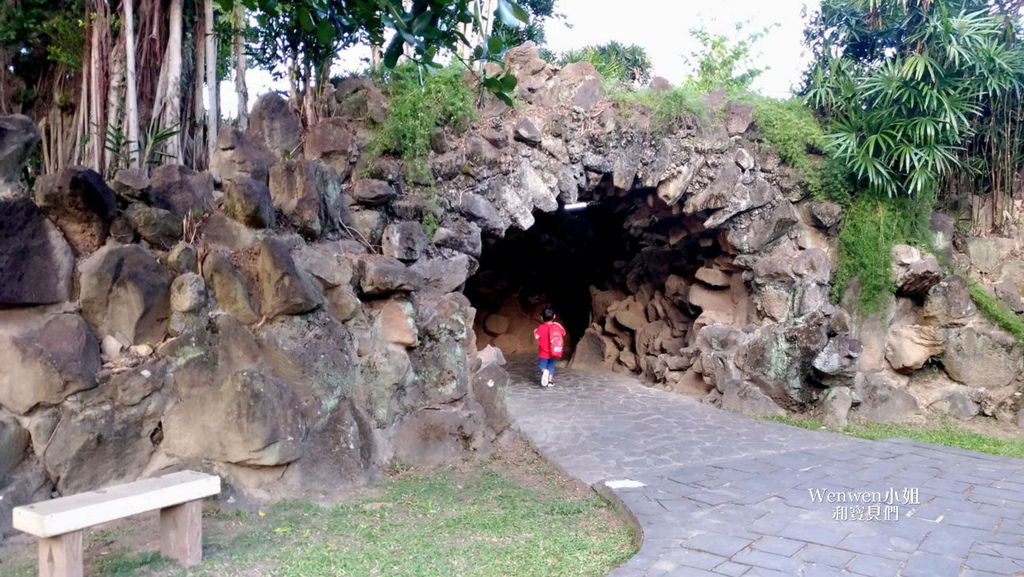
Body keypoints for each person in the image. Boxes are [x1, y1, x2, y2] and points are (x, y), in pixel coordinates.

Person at [533, 306, 567, 388]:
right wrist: (559, 324)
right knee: (551, 366)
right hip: (554, 351)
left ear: (541, 317)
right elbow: (564, 333)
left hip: (544, 353)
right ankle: (550, 382)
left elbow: (537, 337)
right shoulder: (557, 326)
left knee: (542, 366)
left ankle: (545, 371)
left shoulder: (541, 328)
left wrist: (534, 331)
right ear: (554, 316)